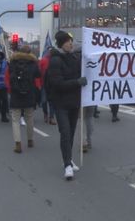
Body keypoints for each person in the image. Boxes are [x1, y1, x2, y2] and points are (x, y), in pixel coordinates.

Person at [48, 31, 87, 180]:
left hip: (74, 102)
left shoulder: (74, 58)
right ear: (61, 43)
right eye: (68, 41)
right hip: (61, 103)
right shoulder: (55, 60)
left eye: (71, 41)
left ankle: (69, 159)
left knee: (70, 133)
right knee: (65, 133)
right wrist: (77, 82)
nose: (71, 43)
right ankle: (67, 166)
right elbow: (57, 83)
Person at [5, 45, 40, 153]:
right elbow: (38, 76)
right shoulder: (33, 63)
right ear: (30, 53)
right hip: (29, 93)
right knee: (29, 117)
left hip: (16, 93)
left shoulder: (12, 63)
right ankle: (30, 140)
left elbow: (8, 76)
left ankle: (18, 143)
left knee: (15, 119)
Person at [39, 48, 56, 125]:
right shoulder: (43, 60)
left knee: (52, 102)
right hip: (44, 84)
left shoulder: (56, 60)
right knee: (44, 101)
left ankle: (51, 117)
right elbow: (39, 73)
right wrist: (38, 84)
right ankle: (45, 113)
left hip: (53, 85)